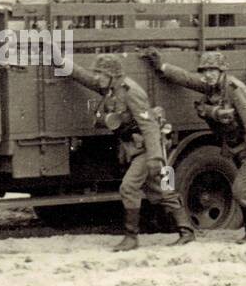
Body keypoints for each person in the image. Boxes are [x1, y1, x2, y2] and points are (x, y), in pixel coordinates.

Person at [145, 48, 246, 242]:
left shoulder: (235, 90)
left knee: (241, 191)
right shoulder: (213, 86)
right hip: (240, 148)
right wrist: (162, 67)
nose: (207, 74)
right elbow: (187, 79)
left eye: (212, 70)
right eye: (205, 71)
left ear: (222, 71)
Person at [68, 53, 195, 251]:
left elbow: (149, 125)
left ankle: (131, 237)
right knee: (162, 190)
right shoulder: (111, 88)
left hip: (147, 149)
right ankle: (187, 232)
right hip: (135, 149)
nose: (97, 78)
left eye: (101, 75)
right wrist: (60, 61)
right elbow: (85, 77)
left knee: (128, 188)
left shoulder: (130, 91)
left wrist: (155, 158)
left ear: (112, 75)